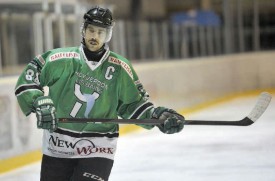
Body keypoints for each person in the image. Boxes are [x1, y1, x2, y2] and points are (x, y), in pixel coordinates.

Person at [15, 6, 185, 181]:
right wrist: (38, 100)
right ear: (84, 30)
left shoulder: (120, 67)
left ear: (108, 34)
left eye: (101, 32)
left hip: (99, 146)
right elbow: (29, 77)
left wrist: (157, 116)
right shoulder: (61, 59)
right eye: (91, 30)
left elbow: (134, 105)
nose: (95, 36)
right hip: (58, 144)